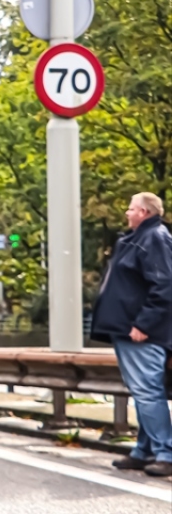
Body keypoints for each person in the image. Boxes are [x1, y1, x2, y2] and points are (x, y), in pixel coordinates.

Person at [91, 192, 172, 478]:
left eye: (131, 208)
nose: (126, 213)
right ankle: (144, 450)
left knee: (148, 391)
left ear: (145, 212)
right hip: (128, 329)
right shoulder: (137, 238)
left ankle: (166, 452)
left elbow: (163, 286)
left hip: (142, 332)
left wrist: (144, 324)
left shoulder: (155, 238)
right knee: (142, 392)